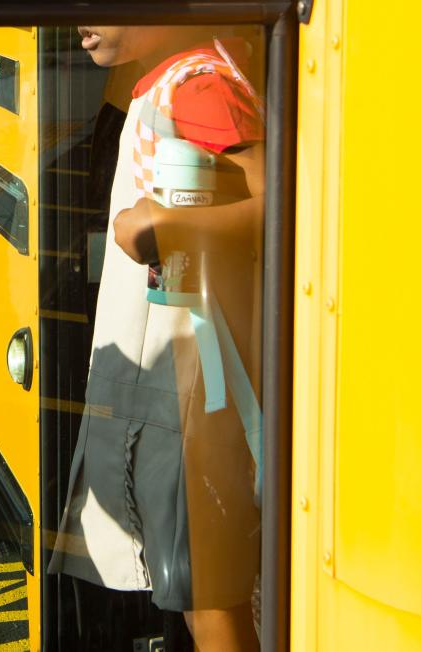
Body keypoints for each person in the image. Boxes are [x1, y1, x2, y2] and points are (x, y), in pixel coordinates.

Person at [47, 25, 265, 652]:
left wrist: (165, 222)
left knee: (207, 591)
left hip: (193, 374)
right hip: (168, 364)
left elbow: (284, 199)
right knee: (190, 583)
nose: (80, 18)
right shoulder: (165, 81)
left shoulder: (200, 87)